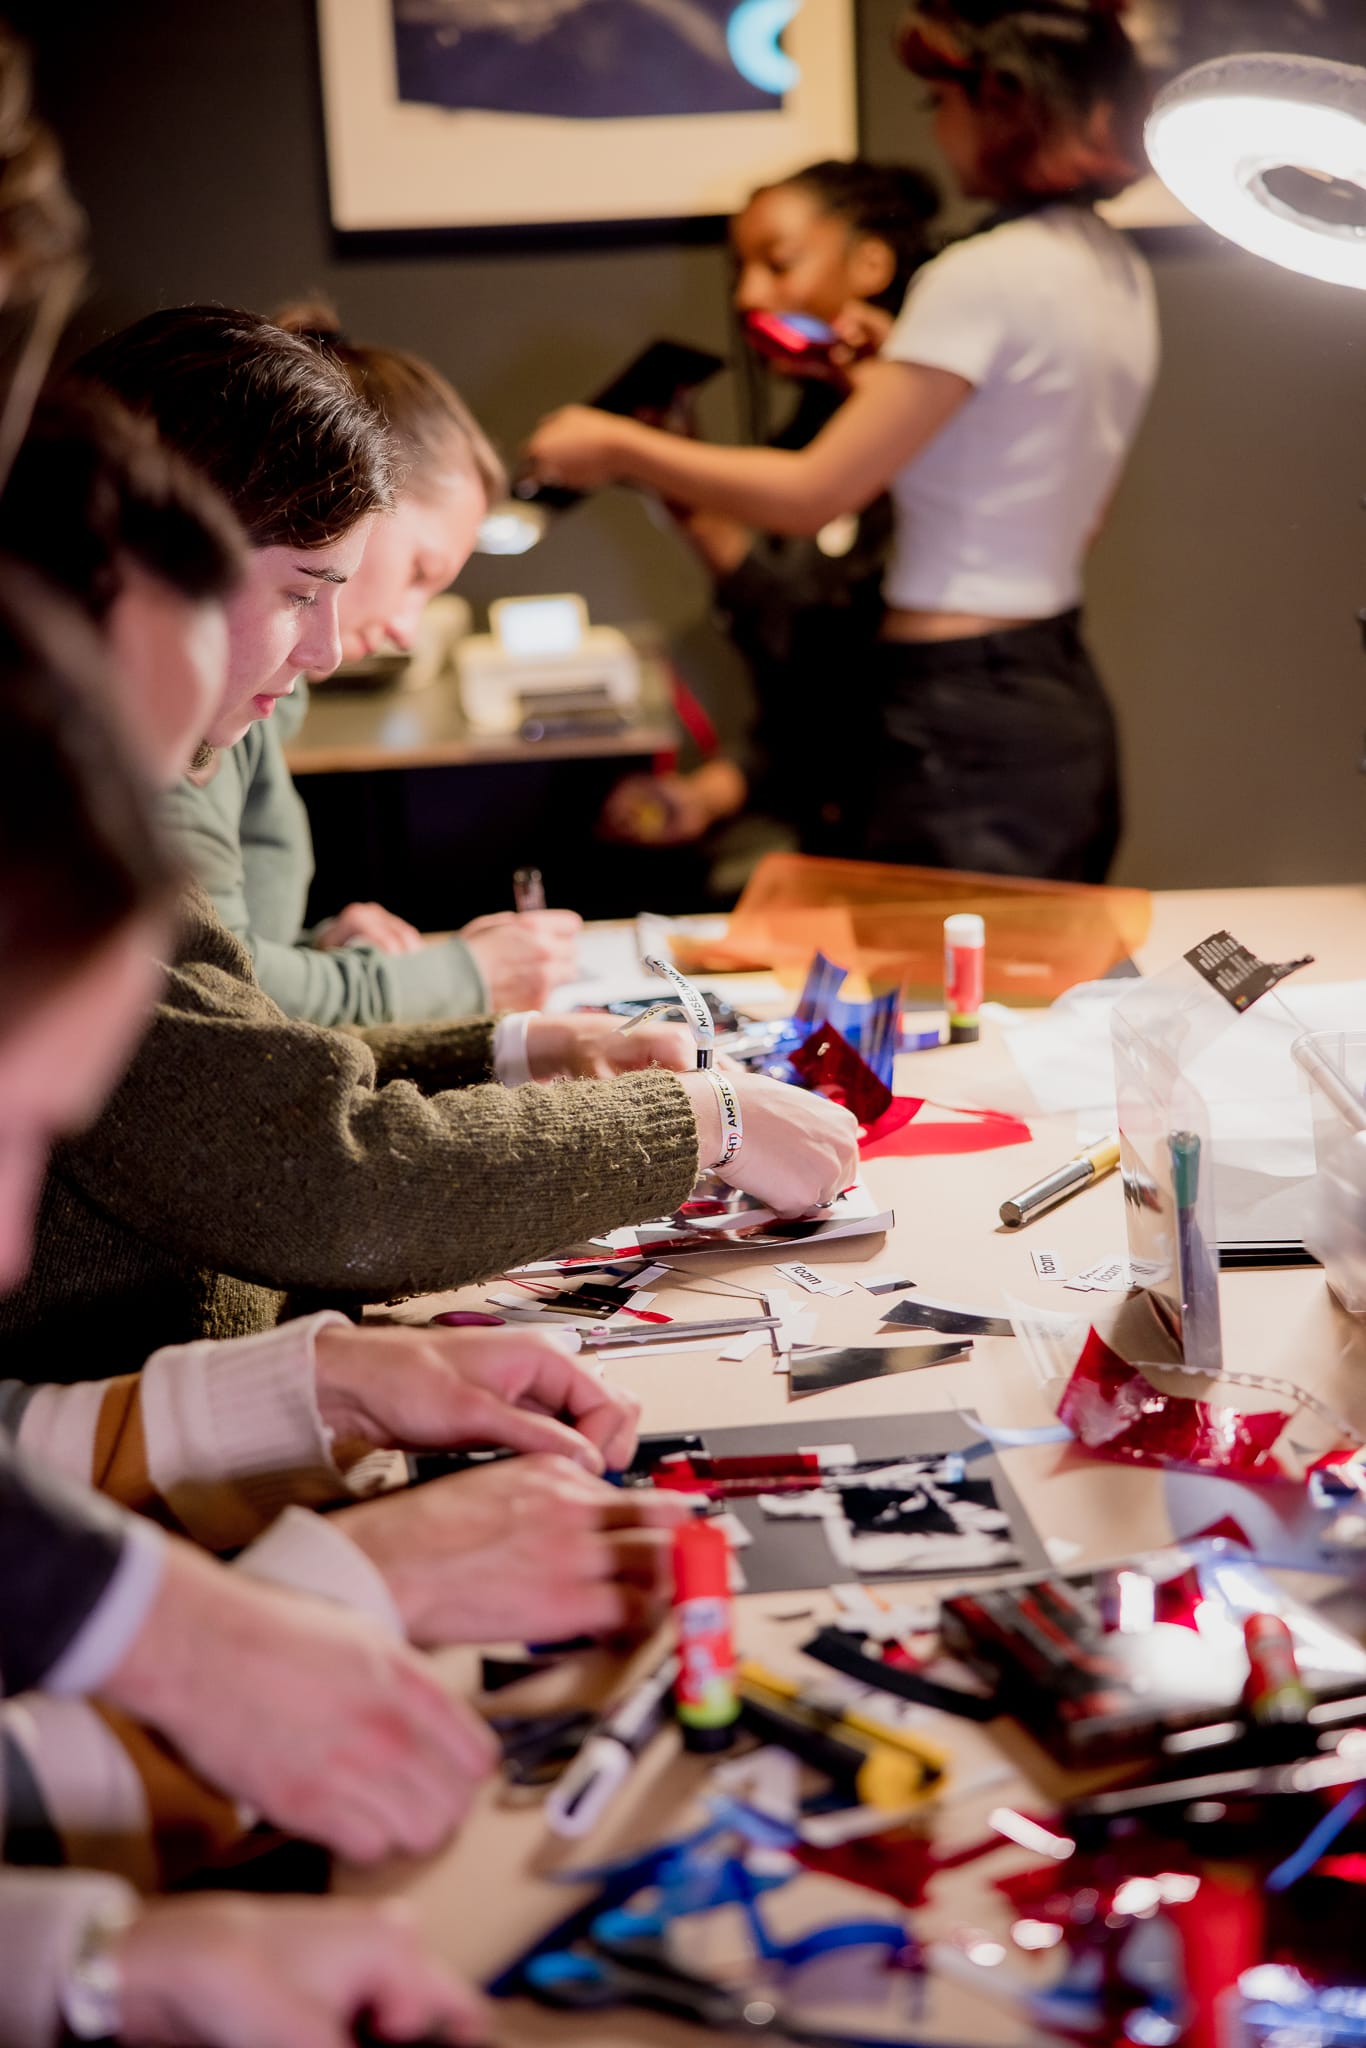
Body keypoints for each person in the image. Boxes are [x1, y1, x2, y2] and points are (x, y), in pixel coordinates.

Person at [0, 306, 859, 1378]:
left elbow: (226, 1066)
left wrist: (517, 1045)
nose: (322, 648)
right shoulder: (62, 836)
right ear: (150, 572)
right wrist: (697, 1120)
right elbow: (320, 1177)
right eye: (300, 592)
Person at [525, 0, 1161, 884]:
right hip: (1051, 686)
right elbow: (1044, 486)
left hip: (956, 712)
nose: (936, 128)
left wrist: (620, 448)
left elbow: (812, 490)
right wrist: (879, 386)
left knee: (947, 1007)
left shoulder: (979, 276)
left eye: (940, 101)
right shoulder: (1111, 267)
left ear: (1005, 103)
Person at [161, 301, 582, 1025]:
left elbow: (210, 955)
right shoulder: (183, 715)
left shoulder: (247, 706)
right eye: (419, 570)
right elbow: (226, 1000)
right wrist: (462, 978)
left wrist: (319, 953)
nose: (404, 630)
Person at [600, 158, 939, 874]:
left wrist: (638, 456)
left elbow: (821, 643)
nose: (750, 296)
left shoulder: (922, 445)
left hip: (935, 809)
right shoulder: (805, 433)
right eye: (740, 273)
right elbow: (810, 711)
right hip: (841, 814)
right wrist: (708, 794)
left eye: (778, 265)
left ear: (872, 261)